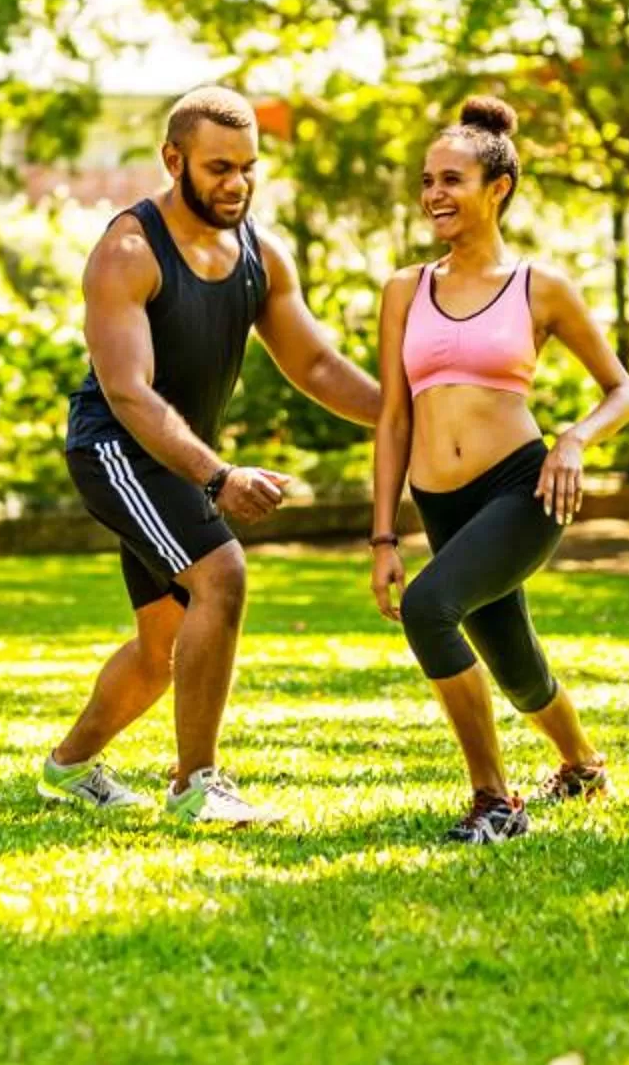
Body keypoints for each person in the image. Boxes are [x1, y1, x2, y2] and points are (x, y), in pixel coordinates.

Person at [41, 86, 381, 826]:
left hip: (174, 456)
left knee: (162, 645)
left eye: (248, 168)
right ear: (174, 160)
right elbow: (127, 393)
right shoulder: (128, 251)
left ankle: (67, 769)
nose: (237, 184)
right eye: (218, 167)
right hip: (115, 448)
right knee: (220, 574)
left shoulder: (259, 252)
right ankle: (197, 782)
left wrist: (400, 417)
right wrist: (219, 477)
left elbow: (316, 365)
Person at [368, 98, 629, 844]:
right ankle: (582, 765)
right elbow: (394, 417)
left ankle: (495, 801)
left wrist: (575, 440)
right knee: (516, 665)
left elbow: (623, 389)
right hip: (439, 500)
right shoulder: (405, 288)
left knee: (430, 610)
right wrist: (384, 537)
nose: (433, 195)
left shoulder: (539, 286)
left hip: (524, 488)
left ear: (498, 188)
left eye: (451, 179)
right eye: (427, 181)